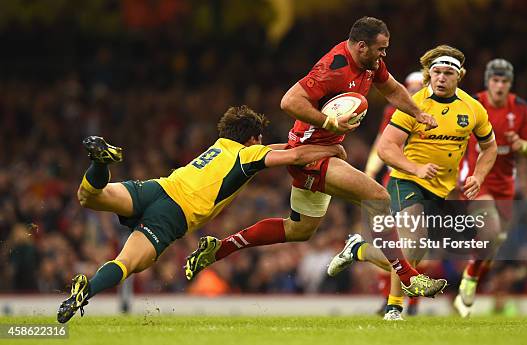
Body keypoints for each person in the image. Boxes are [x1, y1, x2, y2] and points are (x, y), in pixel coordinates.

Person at [184, 17, 448, 298]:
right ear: (361, 46)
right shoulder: (332, 68)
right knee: (378, 197)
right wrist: (330, 124)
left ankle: (219, 248)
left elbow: (393, 89)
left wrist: (418, 114)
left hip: (322, 151)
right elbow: (289, 101)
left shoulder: (371, 63)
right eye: (381, 49)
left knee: (299, 229)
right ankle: (408, 277)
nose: (384, 54)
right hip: (308, 155)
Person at [56, 105, 346, 323]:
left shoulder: (221, 145)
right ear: (254, 138)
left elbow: (282, 148)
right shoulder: (248, 155)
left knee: (89, 196)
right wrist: (333, 148)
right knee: (126, 263)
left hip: (158, 188)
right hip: (173, 214)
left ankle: (100, 162)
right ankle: (88, 289)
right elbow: (292, 156)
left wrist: (308, 147)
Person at [326, 45, 498, 320]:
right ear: (429, 75)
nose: (441, 78)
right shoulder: (413, 105)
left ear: (459, 76)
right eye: (436, 72)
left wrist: (478, 176)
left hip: (442, 189)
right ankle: (394, 308)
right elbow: (385, 148)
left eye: (447, 73)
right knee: (413, 244)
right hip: (406, 181)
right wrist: (415, 168)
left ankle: (359, 250)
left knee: (418, 256)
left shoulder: (473, 108)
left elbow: (490, 147)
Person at [453, 58, 527, 317]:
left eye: (504, 81)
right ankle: (469, 278)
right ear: (487, 82)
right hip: (477, 180)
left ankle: (469, 280)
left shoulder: (521, 109)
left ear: (510, 84)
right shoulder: (472, 104)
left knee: (493, 244)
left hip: (505, 185)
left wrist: (521, 145)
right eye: (495, 80)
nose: (499, 86)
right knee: (489, 232)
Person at [363, 71, 425, 319]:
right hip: (396, 181)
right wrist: (369, 172)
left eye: (418, 86)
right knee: (393, 241)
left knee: (416, 246)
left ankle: (409, 303)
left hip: (424, 182)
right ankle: (389, 300)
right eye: (410, 87)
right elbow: (382, 143)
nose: (412, 92)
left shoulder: (434, 114)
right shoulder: (394, 113)